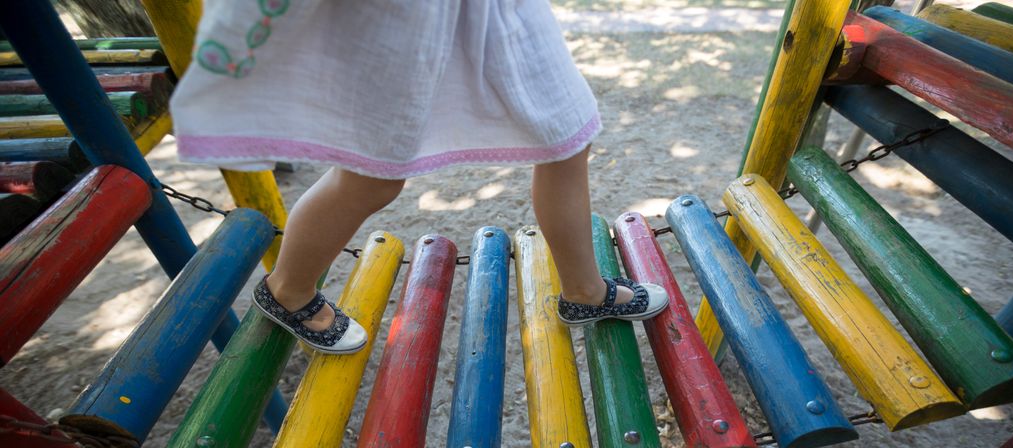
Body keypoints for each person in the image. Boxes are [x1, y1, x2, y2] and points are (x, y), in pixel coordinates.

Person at [171, 0, 668, 354]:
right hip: (399, 16)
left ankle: (583, 293)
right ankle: (288, 291)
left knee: (567, 135)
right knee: (374, 175)